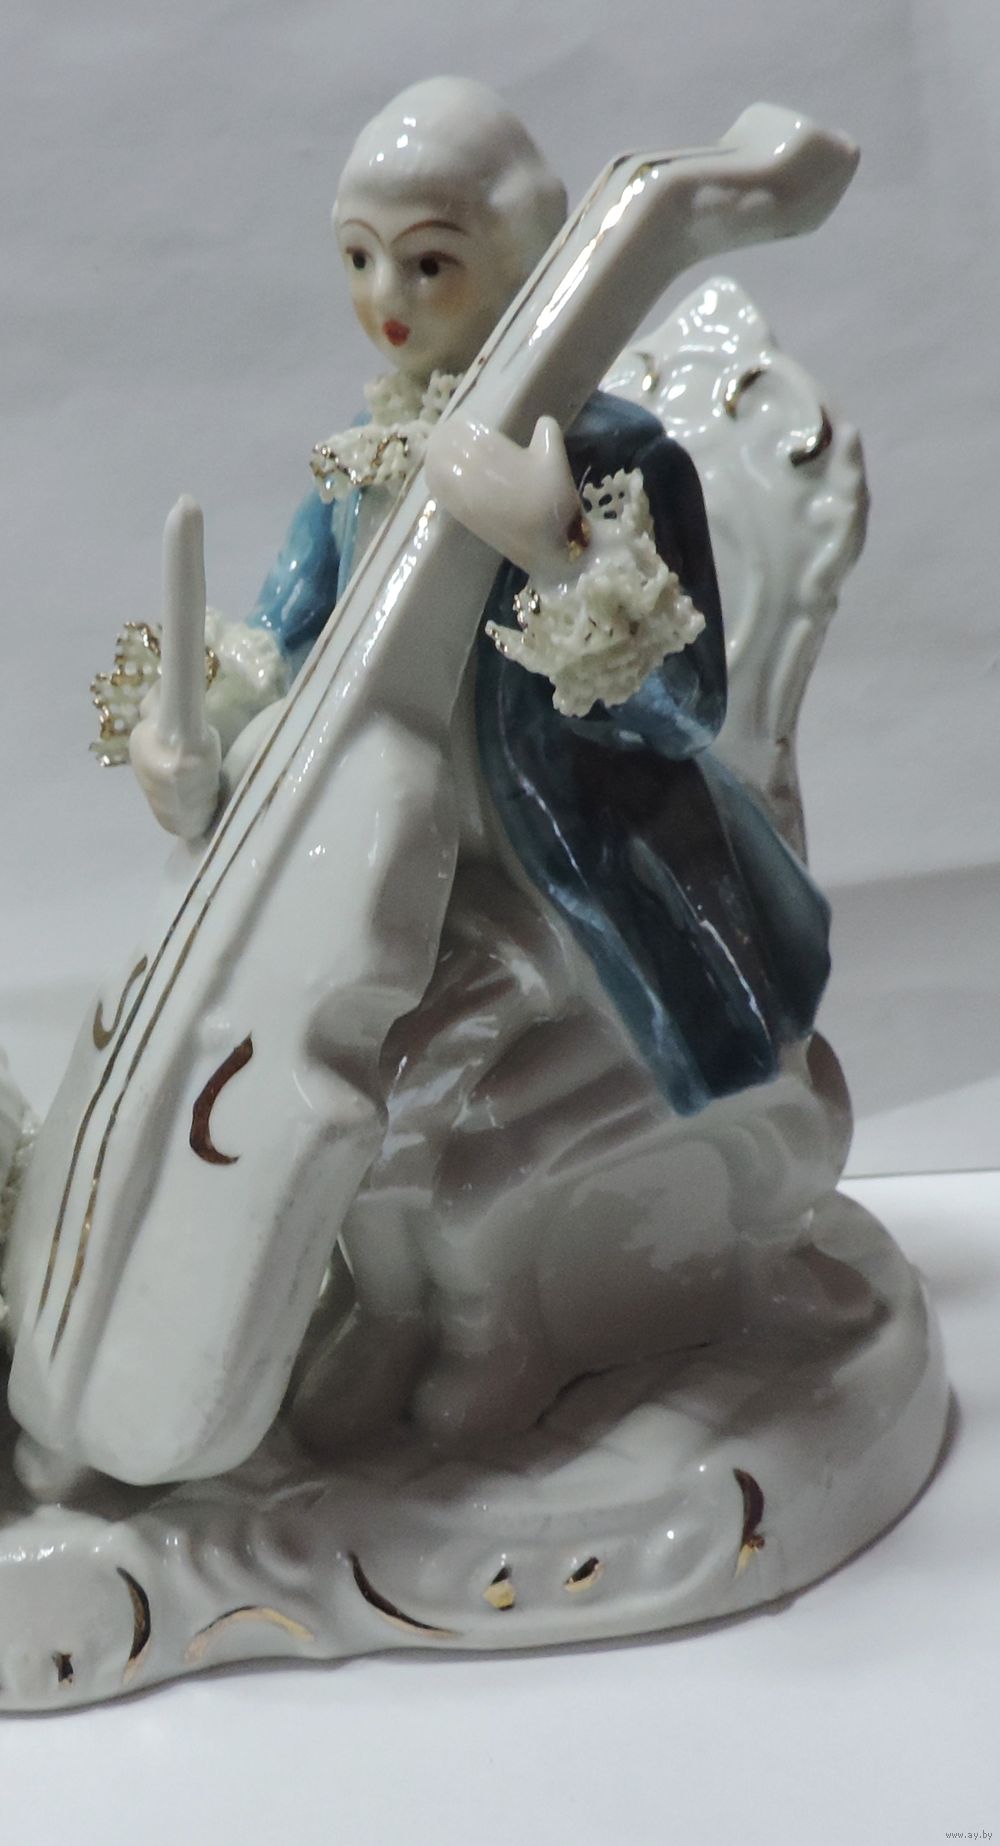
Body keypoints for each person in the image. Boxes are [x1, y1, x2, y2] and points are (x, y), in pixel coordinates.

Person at [128, 78, 847, 1447]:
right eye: (359, 256)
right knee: (338, 1089)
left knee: (407, 1092)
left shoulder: (618, 458)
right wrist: (191, 741)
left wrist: (561, 548)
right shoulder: (362, 461)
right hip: (394, 875)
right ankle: (391, 1313)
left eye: (429, 260)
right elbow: (277, 648)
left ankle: (485, 1325)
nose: (385, 297)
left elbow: (684, 705)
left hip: (569, 881)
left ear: (515, 256)